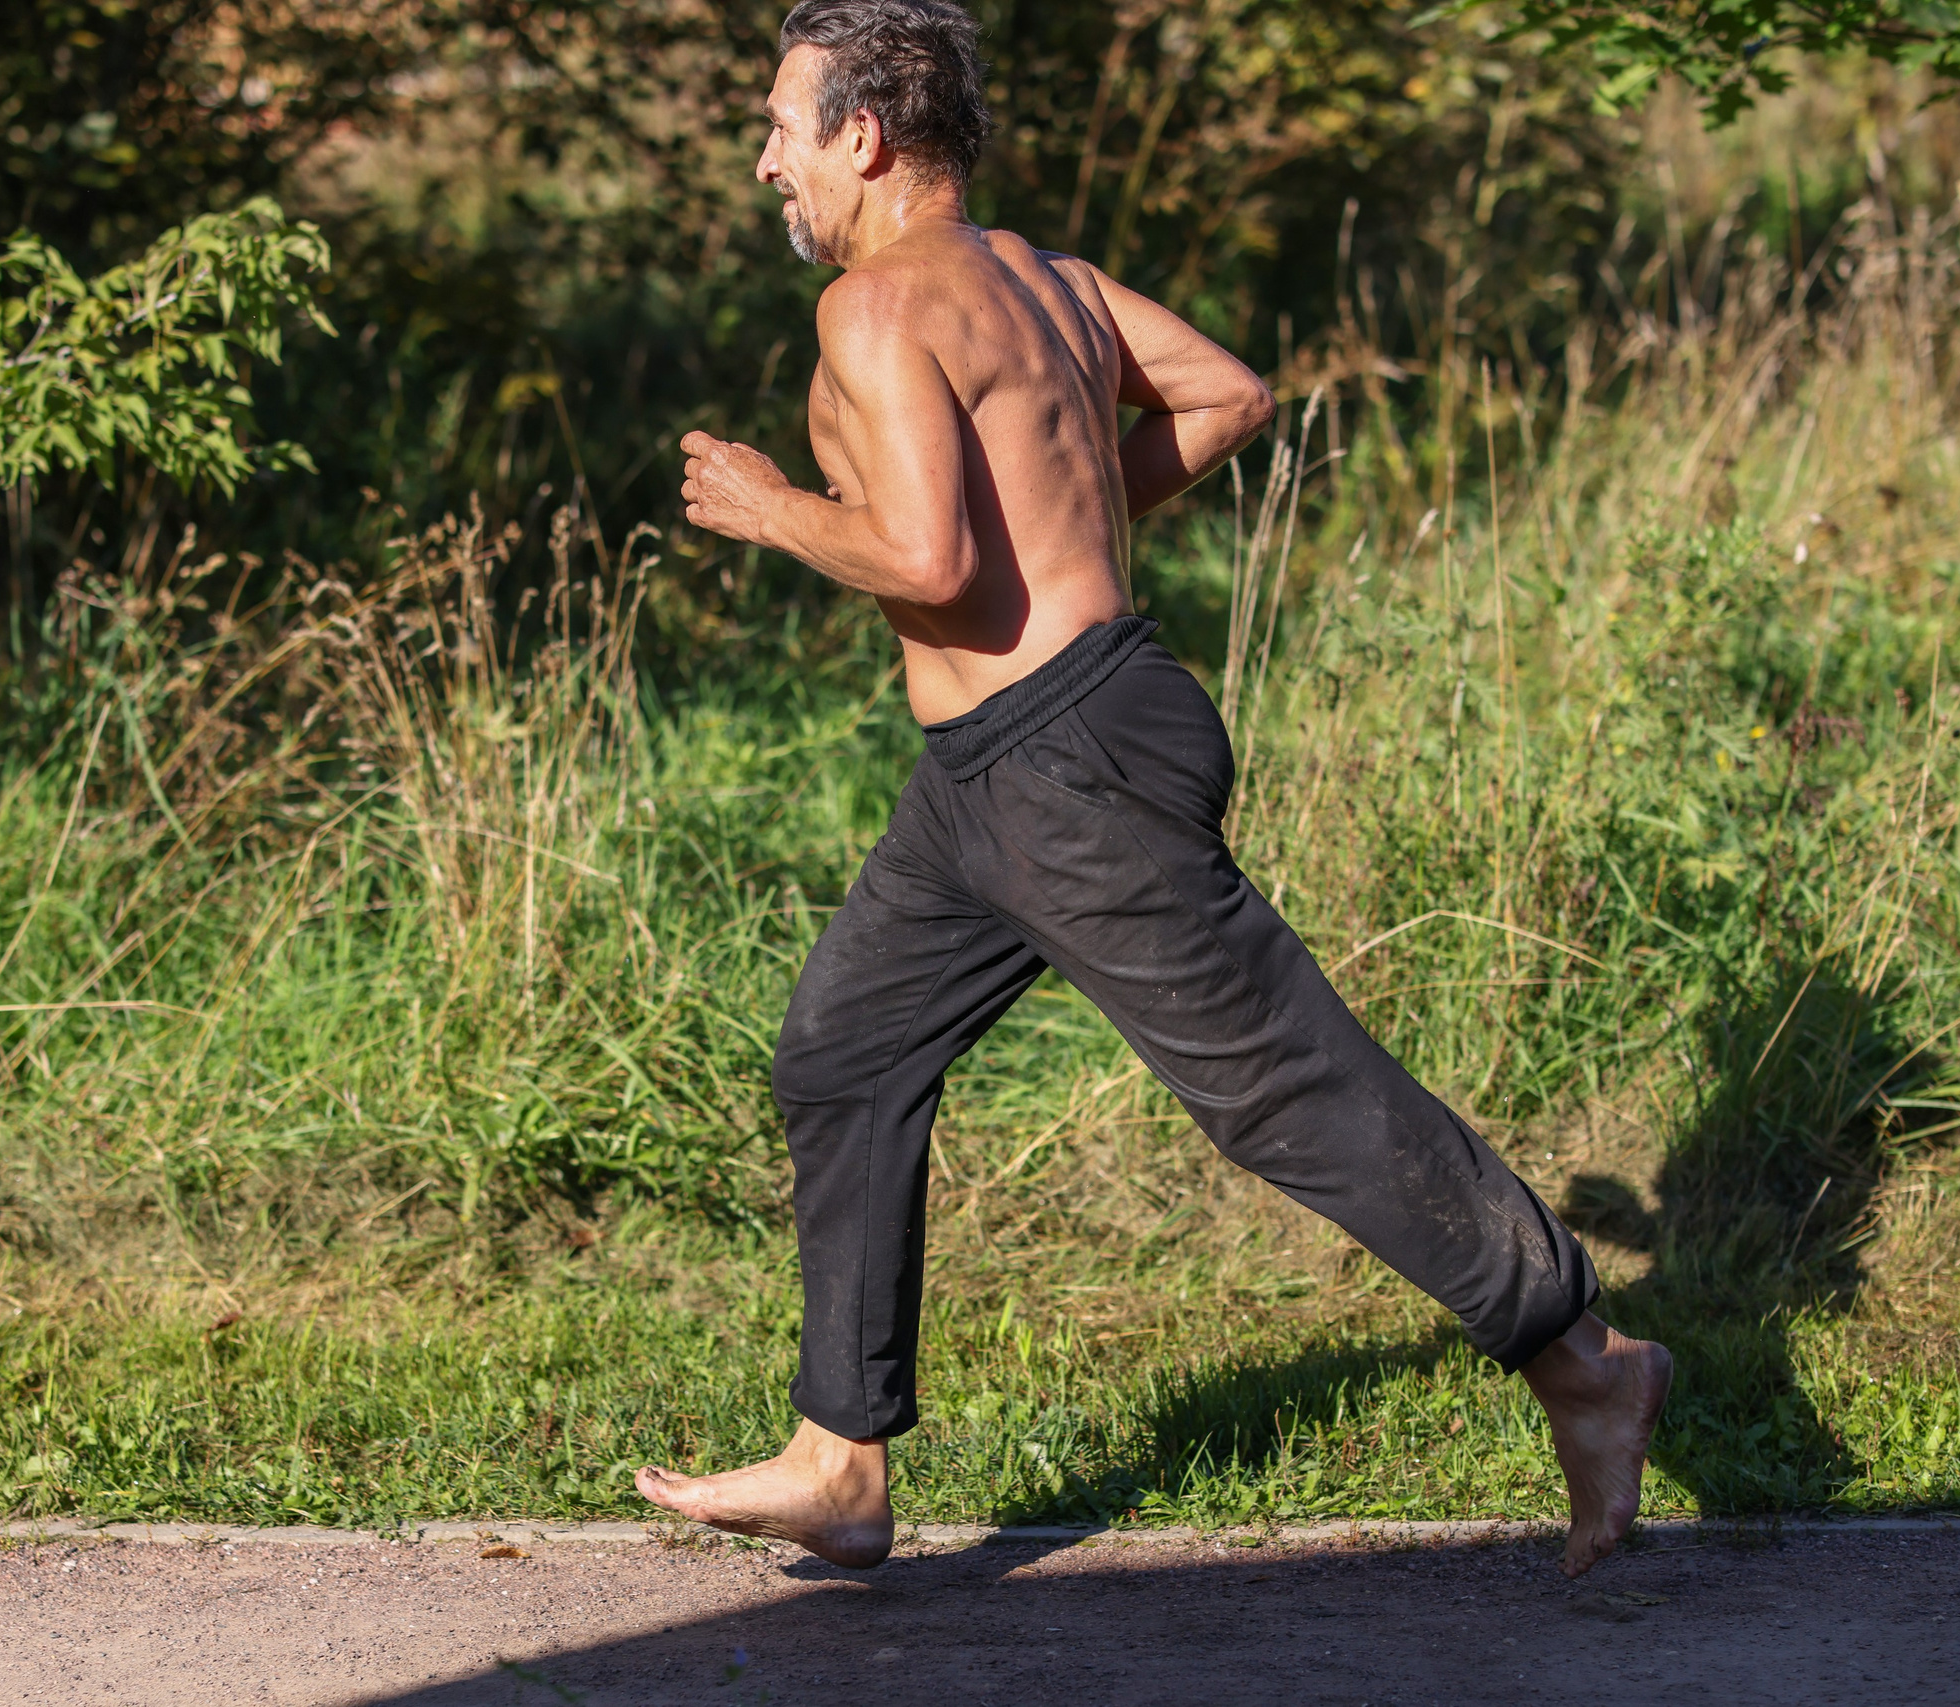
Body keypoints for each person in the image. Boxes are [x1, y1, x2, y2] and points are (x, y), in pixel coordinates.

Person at [635, 0, 1670, 1579]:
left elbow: (925, 559)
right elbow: (1230, 394)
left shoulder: (875, 306)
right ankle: (841, 1459)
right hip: (996, 773)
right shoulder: (1045, 280)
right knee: (844, 1053)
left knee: (1281, 1087)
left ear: (863, 136)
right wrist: (1074, 526)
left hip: (1067, 766)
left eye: (782, 126)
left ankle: (1586, 1365)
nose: (767, 157)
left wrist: (776, 513)